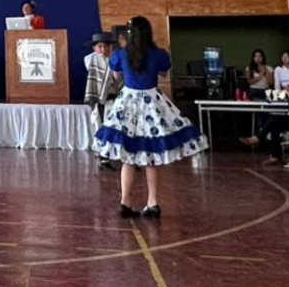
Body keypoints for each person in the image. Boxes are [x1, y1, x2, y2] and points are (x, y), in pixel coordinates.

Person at [95, 16, 208, 218]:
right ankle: (153, 203)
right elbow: (164, 74)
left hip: (128, 102)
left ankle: (125, 202)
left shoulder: (121, 54)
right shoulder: (158, 54)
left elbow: (116, 76)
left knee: (128, 156)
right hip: (152, 102)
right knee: (151, 156)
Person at [85, 32, 122, 168]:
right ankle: (102, 157)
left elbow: (117, 78)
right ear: (94, 48)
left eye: (106, 47)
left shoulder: (113, 59)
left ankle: (114, 154)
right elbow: (91, 64)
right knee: (101, 126)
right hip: (100, 99)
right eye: (100, 46)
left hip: (113, 97)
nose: (103, 49)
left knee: (114, 127)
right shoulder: (91, 59)